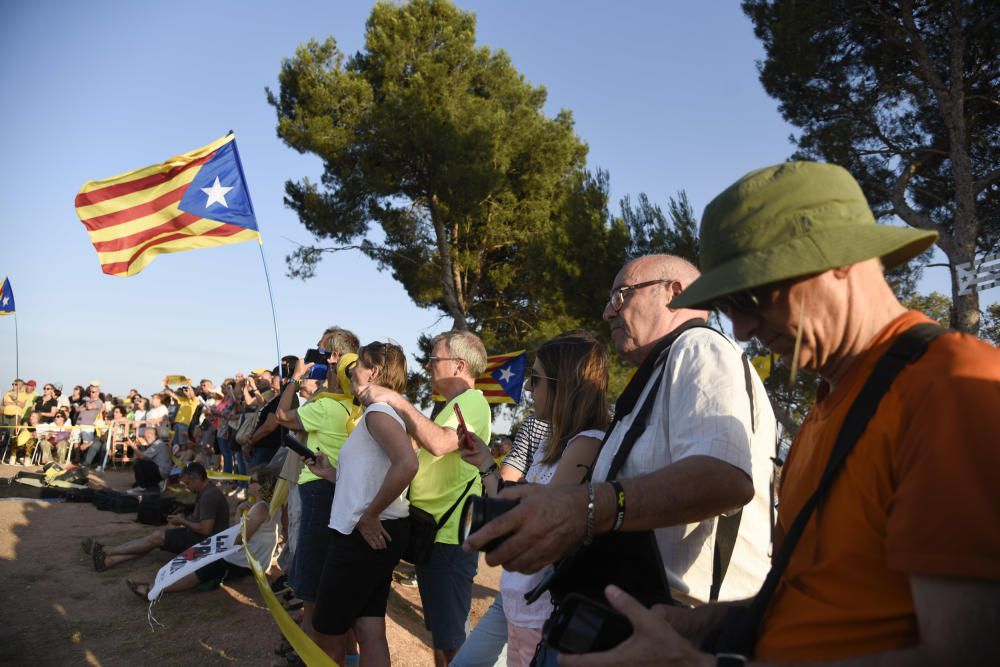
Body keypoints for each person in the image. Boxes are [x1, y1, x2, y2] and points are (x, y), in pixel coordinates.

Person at [559, 161, 1000, 666]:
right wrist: (699, 623)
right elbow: (816, 595)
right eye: (729, 304)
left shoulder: (949, 388)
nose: (743, 328)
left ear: (840, 261)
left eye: (751, 295)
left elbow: (967, 653)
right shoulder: (826, 411)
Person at [467, 254, 776, 607]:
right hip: (647, 617)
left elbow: (725, 478)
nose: (607, 312)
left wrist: (584, 506)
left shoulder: (700, 348)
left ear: (674, 293)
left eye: (621, 295)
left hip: (681, 628)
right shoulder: (662, 370)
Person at [461, 331, 610, 667]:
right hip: (516, 599)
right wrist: (486, 462)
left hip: (543, 609)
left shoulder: (587, 442)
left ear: (566, 386)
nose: (528, 388)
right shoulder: (553, 442)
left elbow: (540, 519)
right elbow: (508, 502)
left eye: (537, 379)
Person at [359, 330, 492, 667]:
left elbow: (439, 444)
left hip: (448, 538)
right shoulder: (453, 405)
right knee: (443, 637)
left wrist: (395, 400)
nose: (429, 365)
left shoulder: (473, 403)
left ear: (459, 365)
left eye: (435, 359)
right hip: (436, 535)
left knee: (452, 642)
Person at [308, 341, 418, 667]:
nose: (352, 369)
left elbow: (407, 463)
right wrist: (330, 473)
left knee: (327, 629)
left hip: (365, 534)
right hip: (379, 530)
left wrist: (369, 515)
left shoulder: (379, 412)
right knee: (368, 625)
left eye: (359, 364)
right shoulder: (384, 413)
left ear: (375, 372)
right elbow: (368, 477)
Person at [274, 326, 359, 648]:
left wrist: (295, 377)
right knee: (335, 585)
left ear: (335, 357)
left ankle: (311, 653)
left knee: (311, 588)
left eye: (322, 352)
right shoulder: (357, 405)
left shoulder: (325, 406)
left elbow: (283, 415)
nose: (317, 358)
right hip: (343, 490)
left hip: (317, 490)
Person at [125, 467, 281, 599]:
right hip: (253, 558)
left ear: (262, 486)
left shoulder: (260, 508)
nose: (249, 483)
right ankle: (157, 585)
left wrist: (237, 518)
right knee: (202, 558)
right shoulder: (268, 505)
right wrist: (240, 511)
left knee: (204, 567)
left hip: (248, 561)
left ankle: (154, 591)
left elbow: (240, 538)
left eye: (252, 481)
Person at [88, 462, 230, 571]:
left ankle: (108, 551)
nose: (187, 488)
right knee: (155, 540)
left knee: (156, 538)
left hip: (207, 543)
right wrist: (184, 518)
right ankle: (108, 561)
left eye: (188, 484)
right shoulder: (207, 492)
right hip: (205, 539)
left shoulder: (209, 496)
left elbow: (206, 530)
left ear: (198, 478)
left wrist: (183, 521)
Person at [130, 428, 173, 493]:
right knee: (134, 484)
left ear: (153, 436)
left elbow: (142, 456)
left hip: (161, 472)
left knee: (139, 462)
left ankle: (142, 486)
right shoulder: (157, 443)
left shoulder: (158, 444)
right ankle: (151, 484)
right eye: (145, 436)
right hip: (160, 470)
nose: (145, 438)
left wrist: (133, 446)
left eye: (147, 436)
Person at [78, 384, 106, 468]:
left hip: (92, 428)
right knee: (79, 443)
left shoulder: (99, 402)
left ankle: (87, 463)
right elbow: (78, 409)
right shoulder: (88, 400)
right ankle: (82, 462)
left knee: (90, 444)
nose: (91, 393)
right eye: (89, 392)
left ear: (98, 392)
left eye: (93, 392)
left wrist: (87, 402)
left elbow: (89, 407)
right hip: (81, 425)